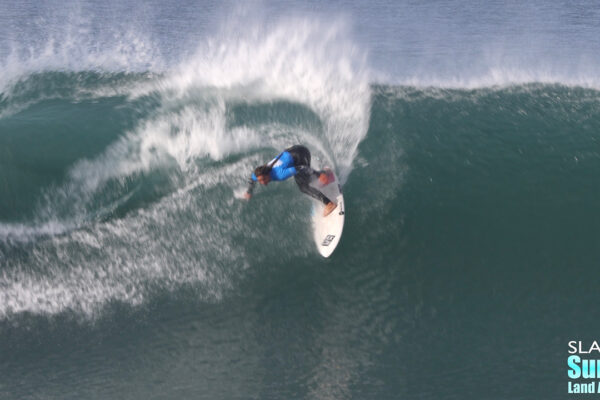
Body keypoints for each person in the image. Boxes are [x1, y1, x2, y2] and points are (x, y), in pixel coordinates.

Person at [244, 145, 337, 216]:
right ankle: (327, 173)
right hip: (292, 151)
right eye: (260, 180)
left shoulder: (280, 174)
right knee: (305, 179)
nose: (262, 182)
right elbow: (252, 179)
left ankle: (329, 203)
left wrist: (318, 174)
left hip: (301, 153)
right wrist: (249, 192)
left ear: (268, 174)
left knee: (304, 187)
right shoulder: (258, 173)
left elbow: (301, 167)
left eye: (263, 179)